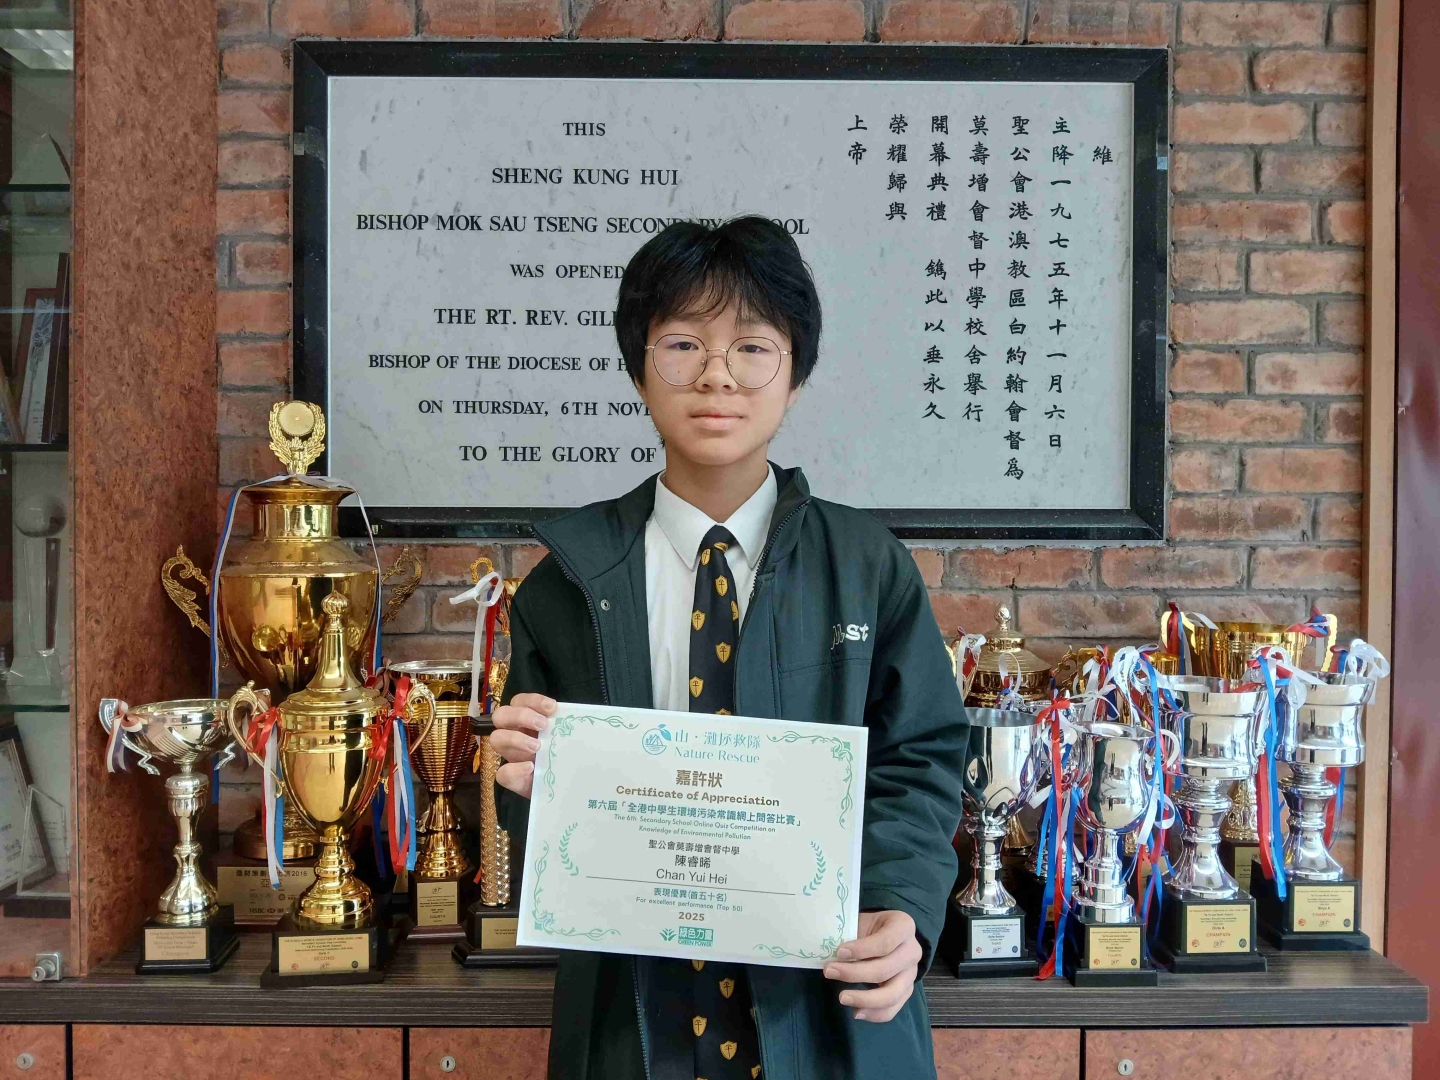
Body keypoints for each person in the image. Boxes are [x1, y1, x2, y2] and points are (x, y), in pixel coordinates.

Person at [490, 216, 967, 1080]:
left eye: (752, 348)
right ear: (639, 369)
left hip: (828, 1019)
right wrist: (528, 785)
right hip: (634, 1024)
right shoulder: (565, 586)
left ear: (796, 375)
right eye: (683, 345)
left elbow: (921, 758)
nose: (717, 375)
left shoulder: (867, 568)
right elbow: (547, 843)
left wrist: (902, 908)